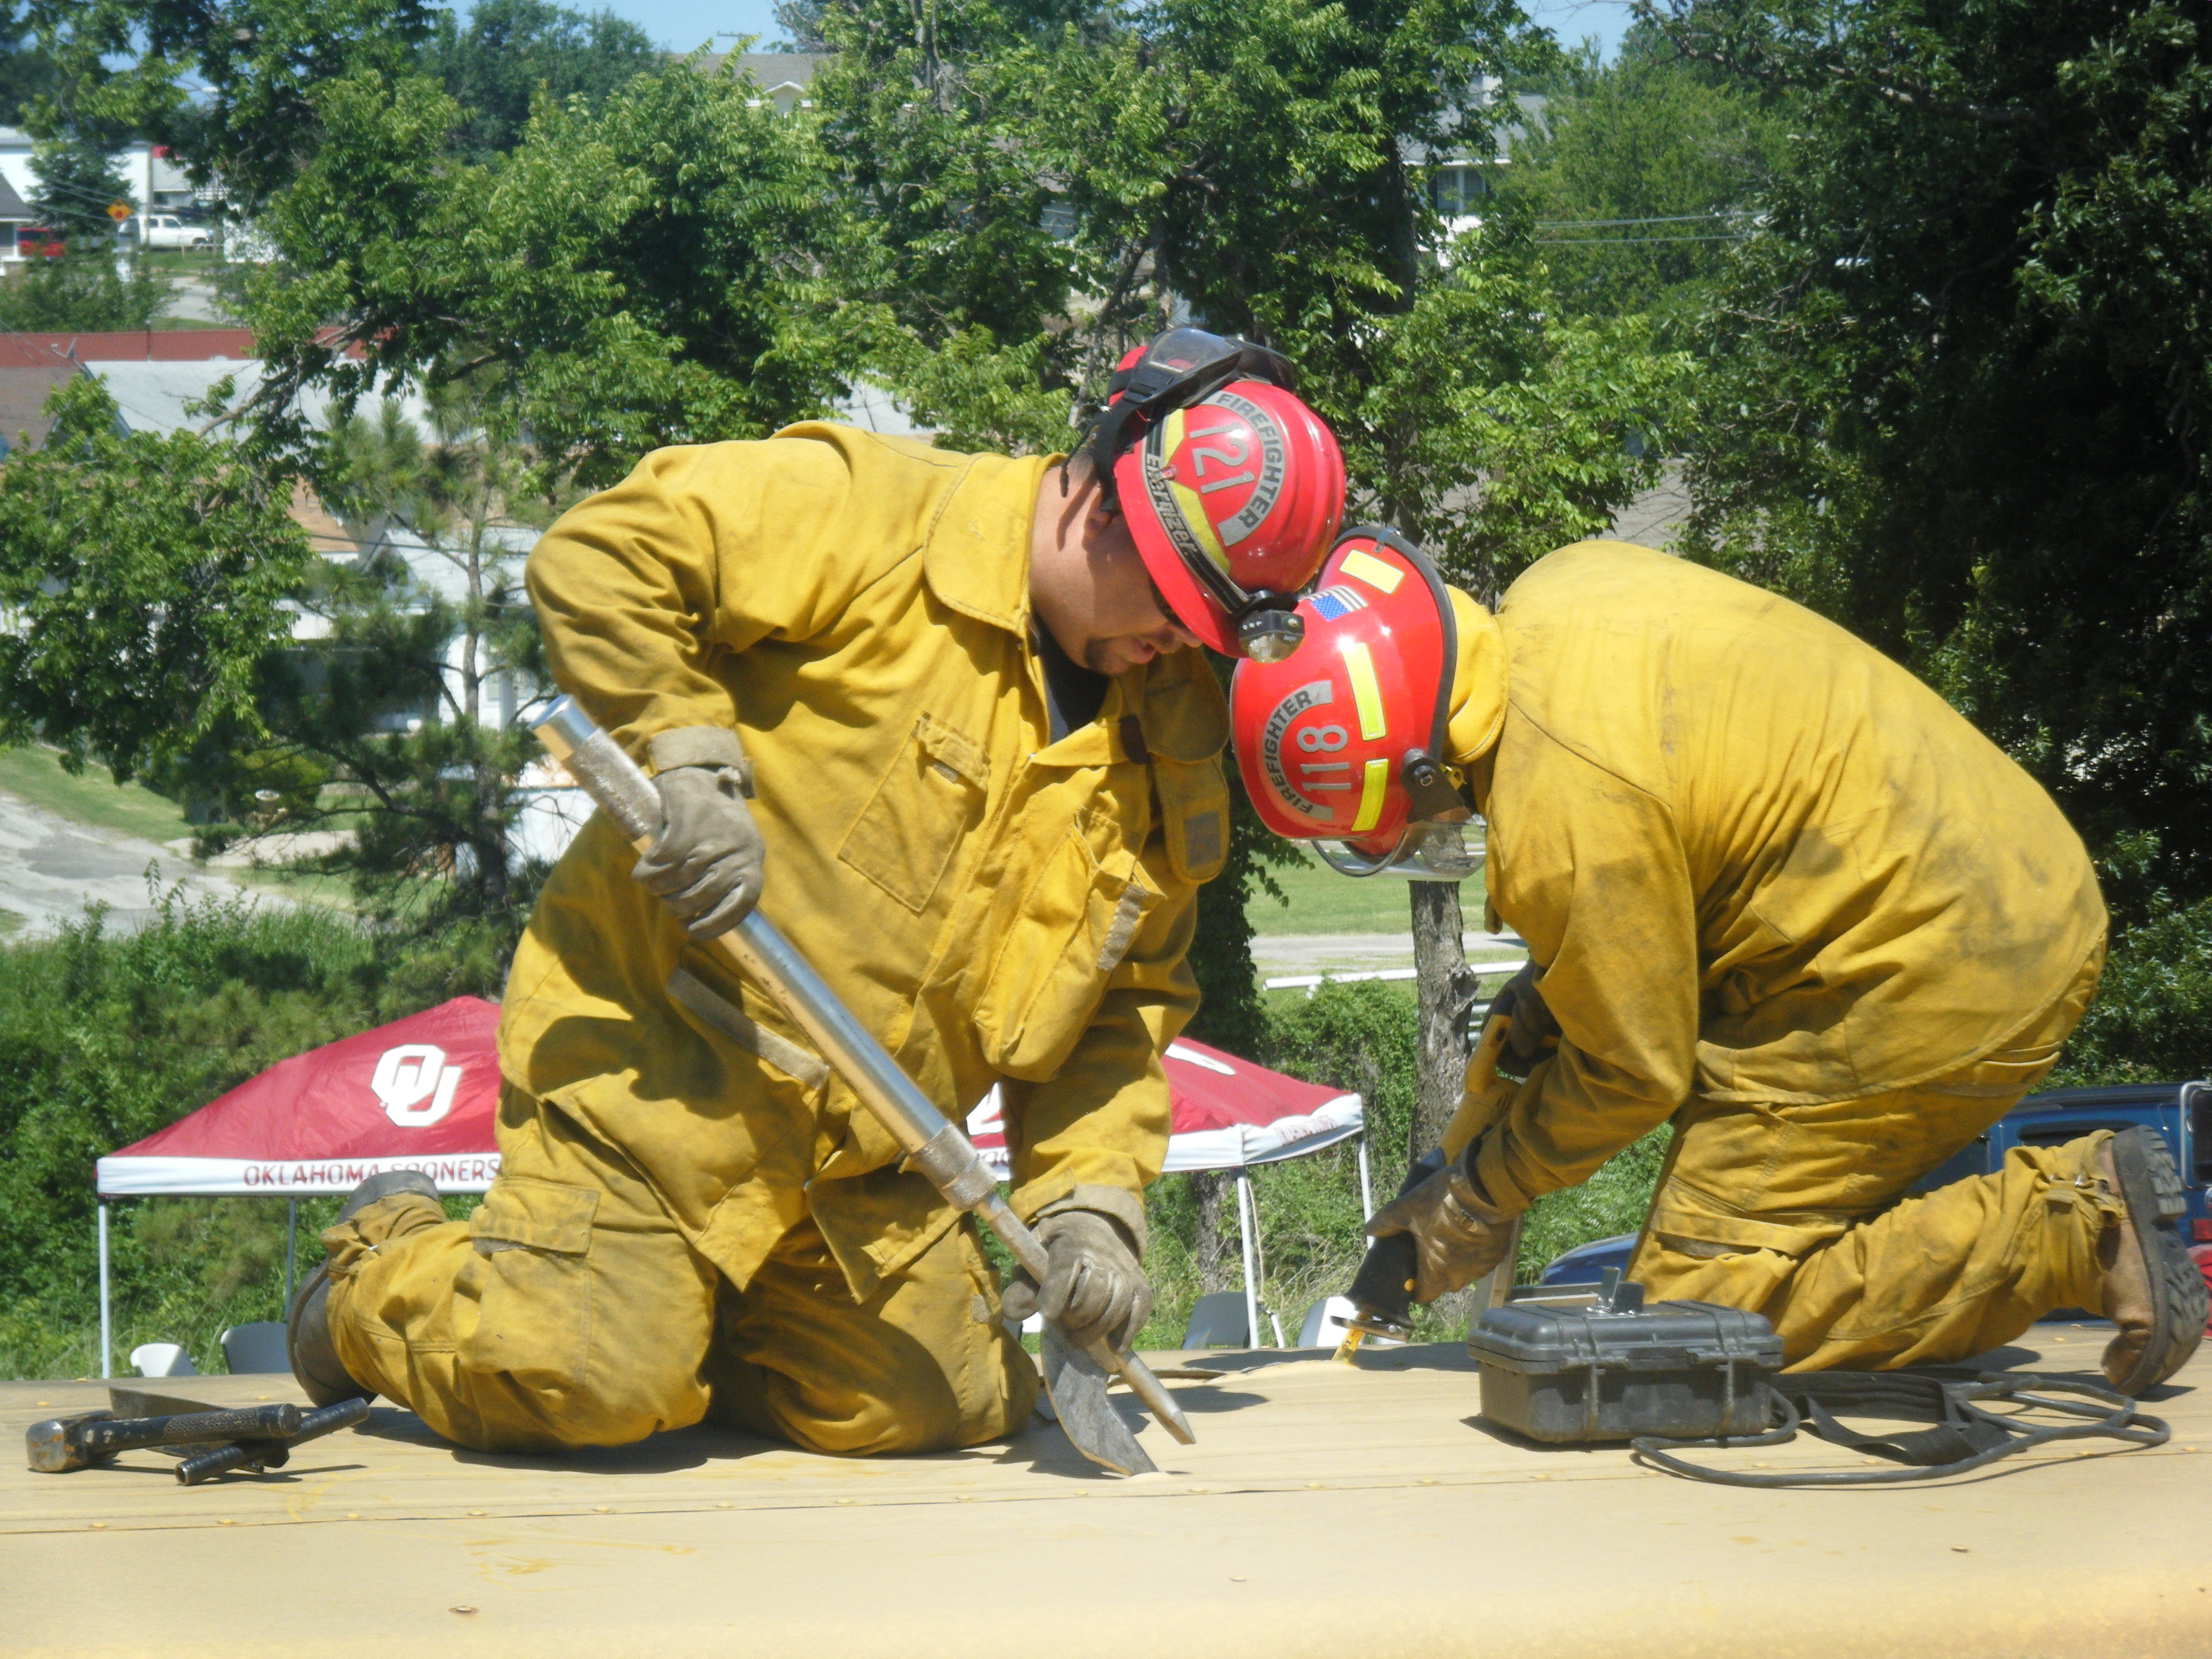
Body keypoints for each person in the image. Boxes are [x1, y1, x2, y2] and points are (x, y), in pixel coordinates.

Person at [285, 329, 1347, 1454]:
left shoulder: (1164, 723)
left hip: (861, 1166)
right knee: (583, 1382)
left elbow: (1121, 1003)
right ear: (1096, 498)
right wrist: (686, 759)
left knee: (955, 1405)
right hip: (658, 1086)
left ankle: (679, 1320)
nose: (1180, 644)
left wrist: (1089, 1209)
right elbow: (602, 555)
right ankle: (374, 1268)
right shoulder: (869, 512)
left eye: (1213, 631)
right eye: (1178, 601)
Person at [1229, 527, 2207, 1395]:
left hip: (1930, 962)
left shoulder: (1565, 819)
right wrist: (1566, 984)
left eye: (1426, 812)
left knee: (1700, 1326)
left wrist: (1478, 1197)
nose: (1445, 824)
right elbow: (1696, 815)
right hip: (2009, 879)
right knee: (1715, 1297)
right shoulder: (1570, 586)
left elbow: (1632, 1075)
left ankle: (2079, 1224)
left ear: (1429, 765)